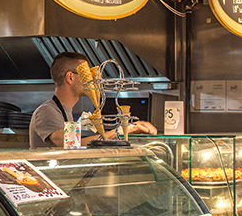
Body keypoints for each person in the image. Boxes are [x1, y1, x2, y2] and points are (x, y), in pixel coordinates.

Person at [29, 52, 157, 148]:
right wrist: (122, 130)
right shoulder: (47, 111)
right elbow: (68, 143)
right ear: (70, 77)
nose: (92, 80)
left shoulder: (66, 111)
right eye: (88, 74)